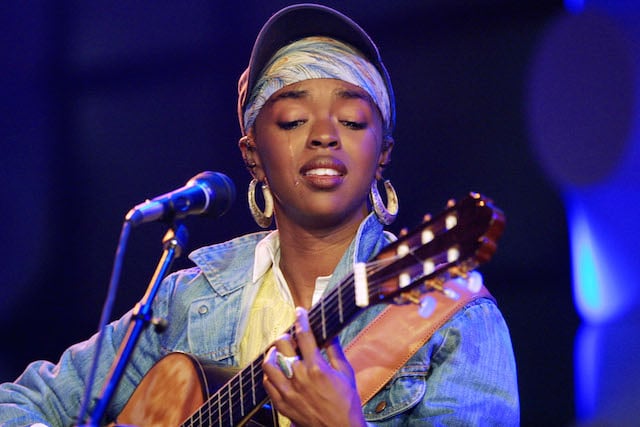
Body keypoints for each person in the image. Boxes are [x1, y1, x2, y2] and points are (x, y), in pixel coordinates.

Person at [0, 4, 519, 426]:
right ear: (252, 155)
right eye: (293, 119)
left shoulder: (452, 315)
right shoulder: (184, 301)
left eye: (352, 120)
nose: (324, 135)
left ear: (382, 152)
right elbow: (18, 404)